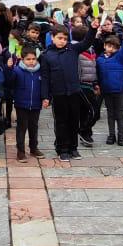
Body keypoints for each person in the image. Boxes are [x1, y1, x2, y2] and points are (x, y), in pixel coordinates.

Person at [40, 24, 95, 160]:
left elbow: (87, 42)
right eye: (59, 38)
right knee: (61, 122)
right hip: (58, 94)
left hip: (74, 92)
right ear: (52, 37)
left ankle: (73, 148)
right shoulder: (46, 55)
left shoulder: (72, 49)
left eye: (65, 38)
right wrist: (45, 96)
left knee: (74, 121)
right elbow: (45, 78)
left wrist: (93, 28)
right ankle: (62, 149)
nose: (62, 41)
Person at [6, 46, 49, 161]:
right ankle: (20, 151)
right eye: (28, 59)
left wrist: (45, 98)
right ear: (22, 59)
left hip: (36, 104)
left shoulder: (40, 71)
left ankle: (33, 148)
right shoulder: (16, 70)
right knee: (22, 128)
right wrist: (9, 69)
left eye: (33, 59)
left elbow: (44, 86)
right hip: (21, 104)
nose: (31, 61)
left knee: (33, 127)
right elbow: (9, 82)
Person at [94, 34, 123, 146]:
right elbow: (97, 74)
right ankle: (111, 135)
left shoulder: (120, 58)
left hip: (119, 90)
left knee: (120, 114)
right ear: (104, 46)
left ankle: (121, 135)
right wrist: (96, 84)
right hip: (106, 91)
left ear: (118, 48)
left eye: (114, 47)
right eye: (109, 46)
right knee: (110, 114)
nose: (111, 49)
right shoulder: (100, 60)